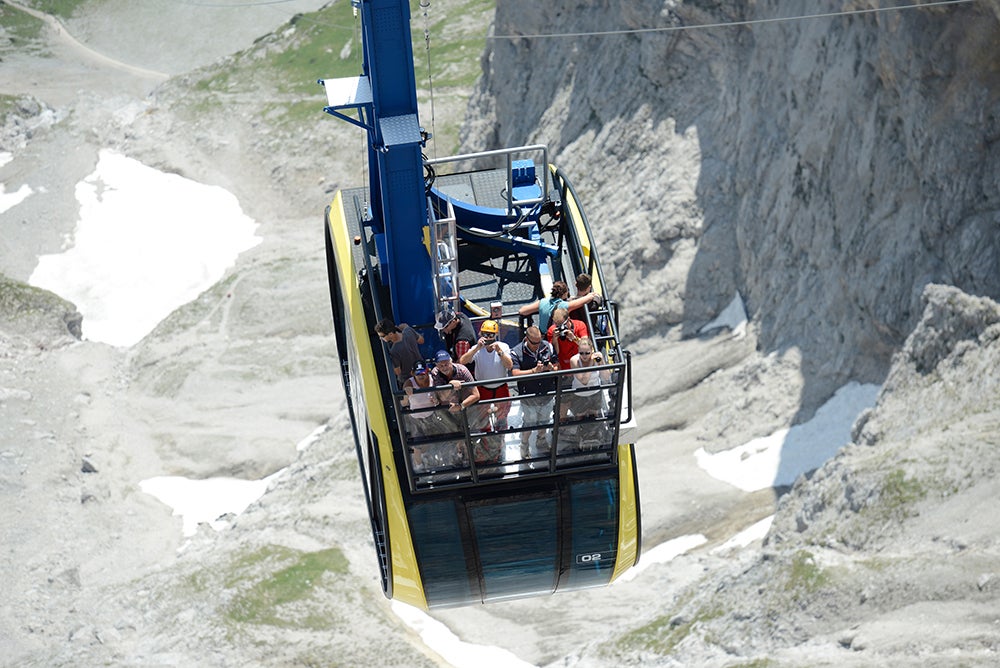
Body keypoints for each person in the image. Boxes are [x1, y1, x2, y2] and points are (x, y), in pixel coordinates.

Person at [459, 319, 513, 444]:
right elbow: (463, 361)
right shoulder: (477, 349)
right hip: (483, 388)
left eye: (490, 335)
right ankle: (487, 443)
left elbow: (509, 365)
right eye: (485, 334)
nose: (488, 337)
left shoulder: (503, 347)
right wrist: (476, 348)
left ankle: (500, 440)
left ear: (496, 335)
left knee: (502, 416)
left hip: (500, 387)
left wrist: (499, 352)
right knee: (483, 418)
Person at [509, 326, 557, 458]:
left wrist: (551, 368)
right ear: (526, 339)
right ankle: (524, 445)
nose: (537, 345)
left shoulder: (548, 346)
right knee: (529, 422)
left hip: (547, 393)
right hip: (528, 395)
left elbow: (557, 366)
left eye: (539, 341)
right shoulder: (516, 352)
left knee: (545, 419)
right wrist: (533, 371)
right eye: (534, 343)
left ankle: (541, 441)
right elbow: (515, 373)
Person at [430, 349, 485, 461]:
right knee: (454, 436)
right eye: (441, 365)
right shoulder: (435, 373)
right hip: (447, 411)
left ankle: (473, 459)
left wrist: (461, 406)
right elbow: (442, 397)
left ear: (451, 362)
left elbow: (476, 395)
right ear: (437, 366)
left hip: (466, 408)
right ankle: (458, 458)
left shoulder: (462, 370)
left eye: (446, 364)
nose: (444, 367)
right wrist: (451, 385)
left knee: (471, 436)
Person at [400, 360, 451, 470]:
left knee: (428, 442)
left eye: (423, 373)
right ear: (413, 373)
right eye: (418, 374)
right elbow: (403, 403)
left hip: (430, 416)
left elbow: (440, 397)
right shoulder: (409, 383)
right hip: (415, 419)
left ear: (427, 371)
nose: (421, 376)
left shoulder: (433, 380)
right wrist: (406, 394)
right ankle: (419, 467)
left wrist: (436, 400)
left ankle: (426, 457)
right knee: (417, 446)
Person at [519, 280, 599, 333]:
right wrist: (591, 295)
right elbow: (581, 301)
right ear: (564, 294)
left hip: (543, 335)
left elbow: (522, 311)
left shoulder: (542, 302)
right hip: (555, 335)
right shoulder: (565, 305)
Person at [375, 317, 424, 383]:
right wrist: (407, 328)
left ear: (391, 334)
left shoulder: (394, 351)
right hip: (422, 371)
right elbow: (421, 341)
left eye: (382, 336)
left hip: (408, 380)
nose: (380, 338)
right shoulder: (409, 331)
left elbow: (398, 372)